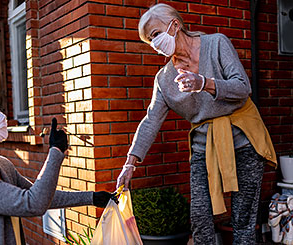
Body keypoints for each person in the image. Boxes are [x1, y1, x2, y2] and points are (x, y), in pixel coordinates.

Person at [116, 3, 276, 245]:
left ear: (175, 25)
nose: (154, 43)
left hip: (244, 138)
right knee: (200, 217)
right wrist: (130, 164)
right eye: (149, 40)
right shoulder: (164, 79)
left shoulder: (217, 44)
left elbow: (243, 88)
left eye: (156, 34)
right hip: (204, 147)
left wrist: (204, 83)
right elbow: (150, 120)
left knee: (243, 219)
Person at [0, 91, 112, 244]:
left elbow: (40, 195)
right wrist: (55, 152)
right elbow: (34, 203)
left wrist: (92, 198)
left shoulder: (1, 164)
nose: (2, 117)